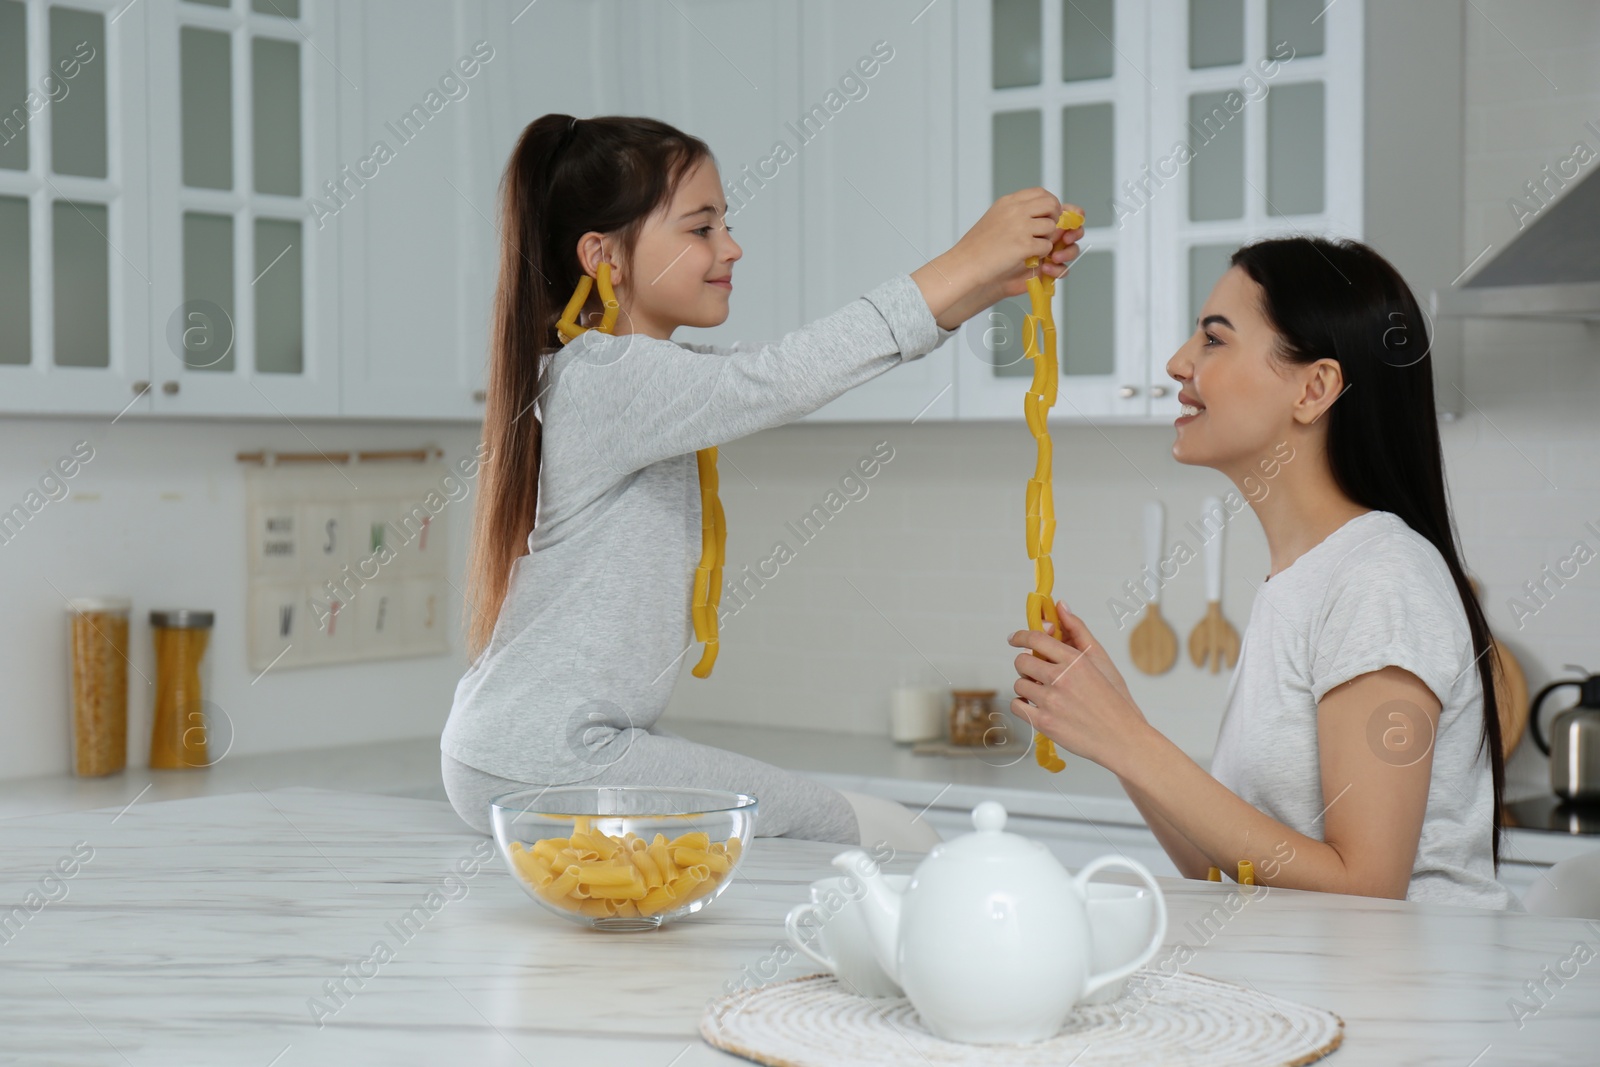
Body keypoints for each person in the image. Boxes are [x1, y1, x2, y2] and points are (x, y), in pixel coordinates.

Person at [441, 113, 1084, 845]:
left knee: (848, 835)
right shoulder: (605, 378)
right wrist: (967, 259)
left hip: (528, 751)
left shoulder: (620, 379)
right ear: (604, 257)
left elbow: (792, 368)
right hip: (545, 755)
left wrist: (988, 283)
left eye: (725, 224)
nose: (731, 247)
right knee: (876, 831)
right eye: (701, 228)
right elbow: (782, 376)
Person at [1008, 236, 1519, 910]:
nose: (1177, 362)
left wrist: (1130, 741)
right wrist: (1115, 722)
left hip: (1406, 1002)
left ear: (1314, 388)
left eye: (1214, 340)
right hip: (1308, 994)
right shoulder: (1301, 579)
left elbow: (1367, 890)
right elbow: (1226, 869)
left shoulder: (1380, 577)